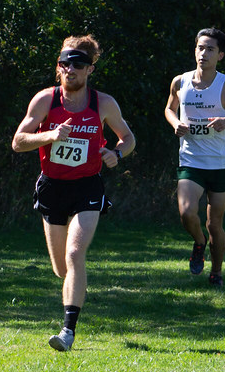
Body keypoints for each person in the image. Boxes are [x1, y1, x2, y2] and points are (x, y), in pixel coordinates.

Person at [12, 35, 135, 352]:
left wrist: (116, 155)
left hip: (87, 186)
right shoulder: (45, 101)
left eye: (78, 64)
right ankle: (73, 293)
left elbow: (128, 138)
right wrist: (51, 135)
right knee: (61, 269)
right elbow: (18, 141)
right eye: (65, 63)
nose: (71, 69)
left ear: (90, 69)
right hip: (52, 186)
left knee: (75, 254)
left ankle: (67, 332)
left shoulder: (102, 103)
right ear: (58, 68)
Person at [163, 27, 225, 288]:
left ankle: (217, 272)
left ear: (220, 55)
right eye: (200, 48)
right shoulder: (180, 81)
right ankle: (199, 243)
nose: (203, 53)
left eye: (210, 49)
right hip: (191, 160)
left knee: (215, 224)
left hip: (220, 163)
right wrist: (174, 123)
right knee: (186, 212)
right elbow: (170, 108)